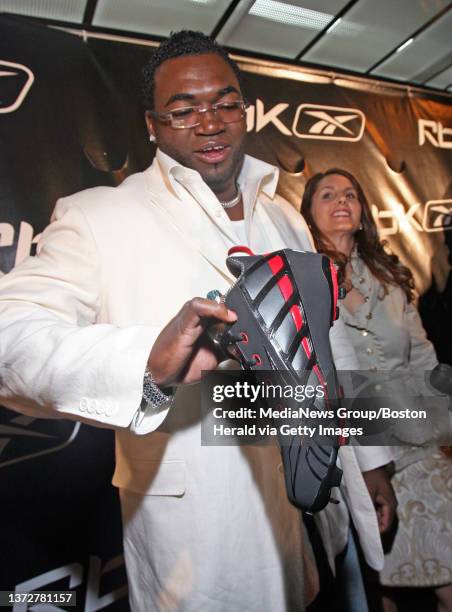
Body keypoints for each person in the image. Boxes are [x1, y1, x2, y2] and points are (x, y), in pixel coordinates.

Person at [0, 31, 392, 611]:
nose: (209, 123)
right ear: (152, 124)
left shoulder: (282, 212)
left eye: (224, 103)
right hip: (201, 535)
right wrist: (146, 362)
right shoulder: (97, 216)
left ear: (243, 109)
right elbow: (12, 336)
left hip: (307, 504)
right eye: (183, 110)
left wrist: (372, 459)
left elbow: (327, 335)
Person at [301, 168, 452, 612]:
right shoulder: (305, 280)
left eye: (350, 194)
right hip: (354, 451)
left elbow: (422, 355)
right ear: (309, 215)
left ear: (364, 211)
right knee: (379, 582)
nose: (341, 200)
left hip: (417, 445)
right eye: (326, 195)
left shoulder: (388, 276)